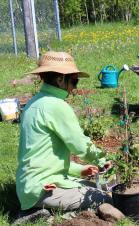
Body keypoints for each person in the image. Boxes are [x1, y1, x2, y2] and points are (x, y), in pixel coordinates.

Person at [16, 51, 116, 219]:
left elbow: (46, 156)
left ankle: (39, 209)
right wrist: (102, 160)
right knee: (104, 197)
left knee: (98, 187)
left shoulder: (34, 102)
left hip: (29, 184)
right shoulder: (56, 106)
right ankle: (49, 216)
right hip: (42, 187)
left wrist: (80, 170)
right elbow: (79, 145)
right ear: (60, 79)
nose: (74, 88)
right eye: (74, 81)